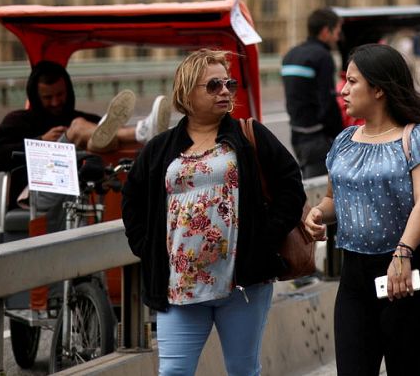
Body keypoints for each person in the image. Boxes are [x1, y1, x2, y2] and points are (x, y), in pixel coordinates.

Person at [121, 49, 305, 376]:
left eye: (229, 84)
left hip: (242, 286)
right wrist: (145, 247)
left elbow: (291, 185)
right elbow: (132, 198)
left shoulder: (249, 136)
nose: (224, 91)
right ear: (186, 93)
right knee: (173, 371)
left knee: (242, 370)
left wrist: (264, 239)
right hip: (179, 286)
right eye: (213, 85)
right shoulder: (160, 148)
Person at [302, 44, 420, 376]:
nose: (343, 90)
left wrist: (402, 254)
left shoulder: (419, 137)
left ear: (379, 88)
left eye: (352, 82)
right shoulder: (344, 141)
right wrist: (317, 214)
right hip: (354, 276)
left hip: (407, 272)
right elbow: (334, 200)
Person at [0, 61, 171, 206]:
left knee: (102, 138)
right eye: (47, 97)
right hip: (39, 190)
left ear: (68, 91)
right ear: (35, 97)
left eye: (60, 95)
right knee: (77, 128)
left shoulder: (83, 117)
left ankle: (150, 137)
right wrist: (41, 141)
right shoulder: (19, 120)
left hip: (83, 190)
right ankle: (143, 132)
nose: (55, 102)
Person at [282, 8, 345, 178]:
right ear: (326, 31)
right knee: (322, 193)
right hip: (317, 139)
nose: (338, 37)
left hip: (297, 135)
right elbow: (327, 101)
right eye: (337, 32)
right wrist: (341, 136)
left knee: (309, 185)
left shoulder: (290, 54)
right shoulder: (322, 56)